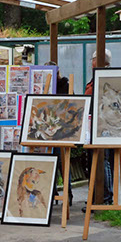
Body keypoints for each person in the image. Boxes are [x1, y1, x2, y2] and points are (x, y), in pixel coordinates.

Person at [83, 49, 114, 212]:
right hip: (92, 126)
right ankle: (95, 197)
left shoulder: (106, 79)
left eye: (93, 59)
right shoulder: (95, 79)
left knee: (104, 161)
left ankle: (106, 198)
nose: (91, 63)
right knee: (96, 161)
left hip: (103, 126)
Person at [44, 61, 73, 205]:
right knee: (53, 160)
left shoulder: (65, 85)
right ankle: (53, 191)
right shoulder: (45, 86)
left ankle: (67, 194)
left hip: (61, 130)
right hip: (47, 129)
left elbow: (72, 105)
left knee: (62, 161)